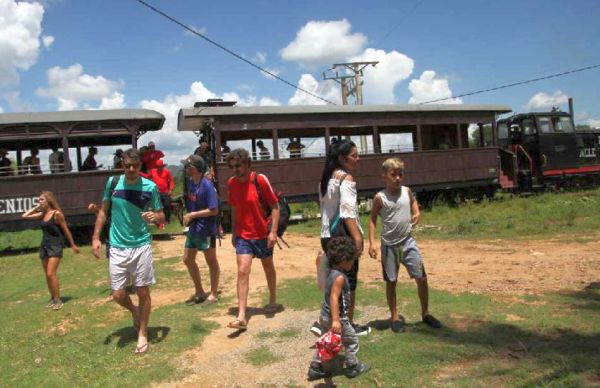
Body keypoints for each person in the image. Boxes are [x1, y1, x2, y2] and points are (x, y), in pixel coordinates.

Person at [92, 148, 165, 354]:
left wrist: (155, 217)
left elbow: (161, 216)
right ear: (122, 166)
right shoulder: (113, 183)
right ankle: (134, 311)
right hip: (117, 246)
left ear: (141, 166)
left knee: (143, 291)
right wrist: (96, 237)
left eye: (135, 166)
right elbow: (103, 212)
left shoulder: (150, 187)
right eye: (127, 166)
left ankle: (142, 333)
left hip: (141, 244)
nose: (131, 169)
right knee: (117, 294)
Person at [368, 158, 442, 332]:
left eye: (400, 174)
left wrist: (417, 212)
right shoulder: (380, 197)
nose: (398, 178)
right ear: (384, 176)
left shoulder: (406, 191)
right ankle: (394, 316)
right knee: (391, 281)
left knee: (422, 278)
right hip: (389, 246)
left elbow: (413, 202)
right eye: (393, 175)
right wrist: (372, 243)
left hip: (408, 242)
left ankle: (425, 313)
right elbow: (372, 219)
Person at [312, 139, 371, 336]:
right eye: (354, 156)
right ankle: (347, 325)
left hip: (327, 236)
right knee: (348, 283)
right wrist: (357, 239)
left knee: (333, 281)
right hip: (343, 236)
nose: (358, 159)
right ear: (342, 158)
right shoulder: (346, 179)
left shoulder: (325, 179)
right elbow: (347, 212)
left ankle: (324, 321)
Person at [226, 148, 281, 330]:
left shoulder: (259, 180)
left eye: (239, 165)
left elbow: (274, 206)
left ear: (247, 164)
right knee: (242, 270)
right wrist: (234, 232)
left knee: (267, 265)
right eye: (232, 166)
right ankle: (241, 315)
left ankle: (272, 298)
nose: (235, 169)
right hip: (244, 235)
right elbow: (234, 208)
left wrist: (273, 232)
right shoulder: (231, 183)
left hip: (262, 234)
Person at [307, 237, 370, 381]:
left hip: (325, 315)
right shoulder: (339, 277)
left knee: (325, 342)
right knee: (351, 340)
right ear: (343, 260)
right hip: (336, 318)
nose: (353, 263)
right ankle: (353, 366)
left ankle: (316, 368)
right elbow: (334, 298)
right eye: (351, 260)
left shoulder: (332, 272)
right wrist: (336, 320)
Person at [22, 191, 80, 310]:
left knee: (50, 273)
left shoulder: (56, 214)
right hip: (44, 246)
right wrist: (37, 207)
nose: (39, 202)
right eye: (39, 200)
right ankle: (53, 298)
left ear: (49, 200)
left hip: (55, 245)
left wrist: (72, 244)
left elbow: (66, 230)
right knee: (47, 275)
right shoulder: (42, 214)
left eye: (41, 200)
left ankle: (58, 300)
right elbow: (25, 216)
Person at [181, 155, 220, 305]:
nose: (185, 169)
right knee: (188, 259)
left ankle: (214, 294)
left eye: (187, 166)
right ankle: (199, 291)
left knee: (211, 261)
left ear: (194, 168)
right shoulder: (192, 183)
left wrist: (193, 214)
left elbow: (214, 210)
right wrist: (189, 216)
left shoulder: (207, 186)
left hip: (206, 229)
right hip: (194, 228)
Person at [146, 159, 174, 226]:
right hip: (156, 193)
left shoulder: (167, 172)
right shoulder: (153, 171)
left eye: (161, 166)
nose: (160, 168)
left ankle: (167, 219)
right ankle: (158, 221)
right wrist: (139, 173)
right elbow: (147, 177)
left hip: (165, 192)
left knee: (167, 205)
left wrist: (170, 189)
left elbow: (171, 181)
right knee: (156, 207)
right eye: (158, 166)